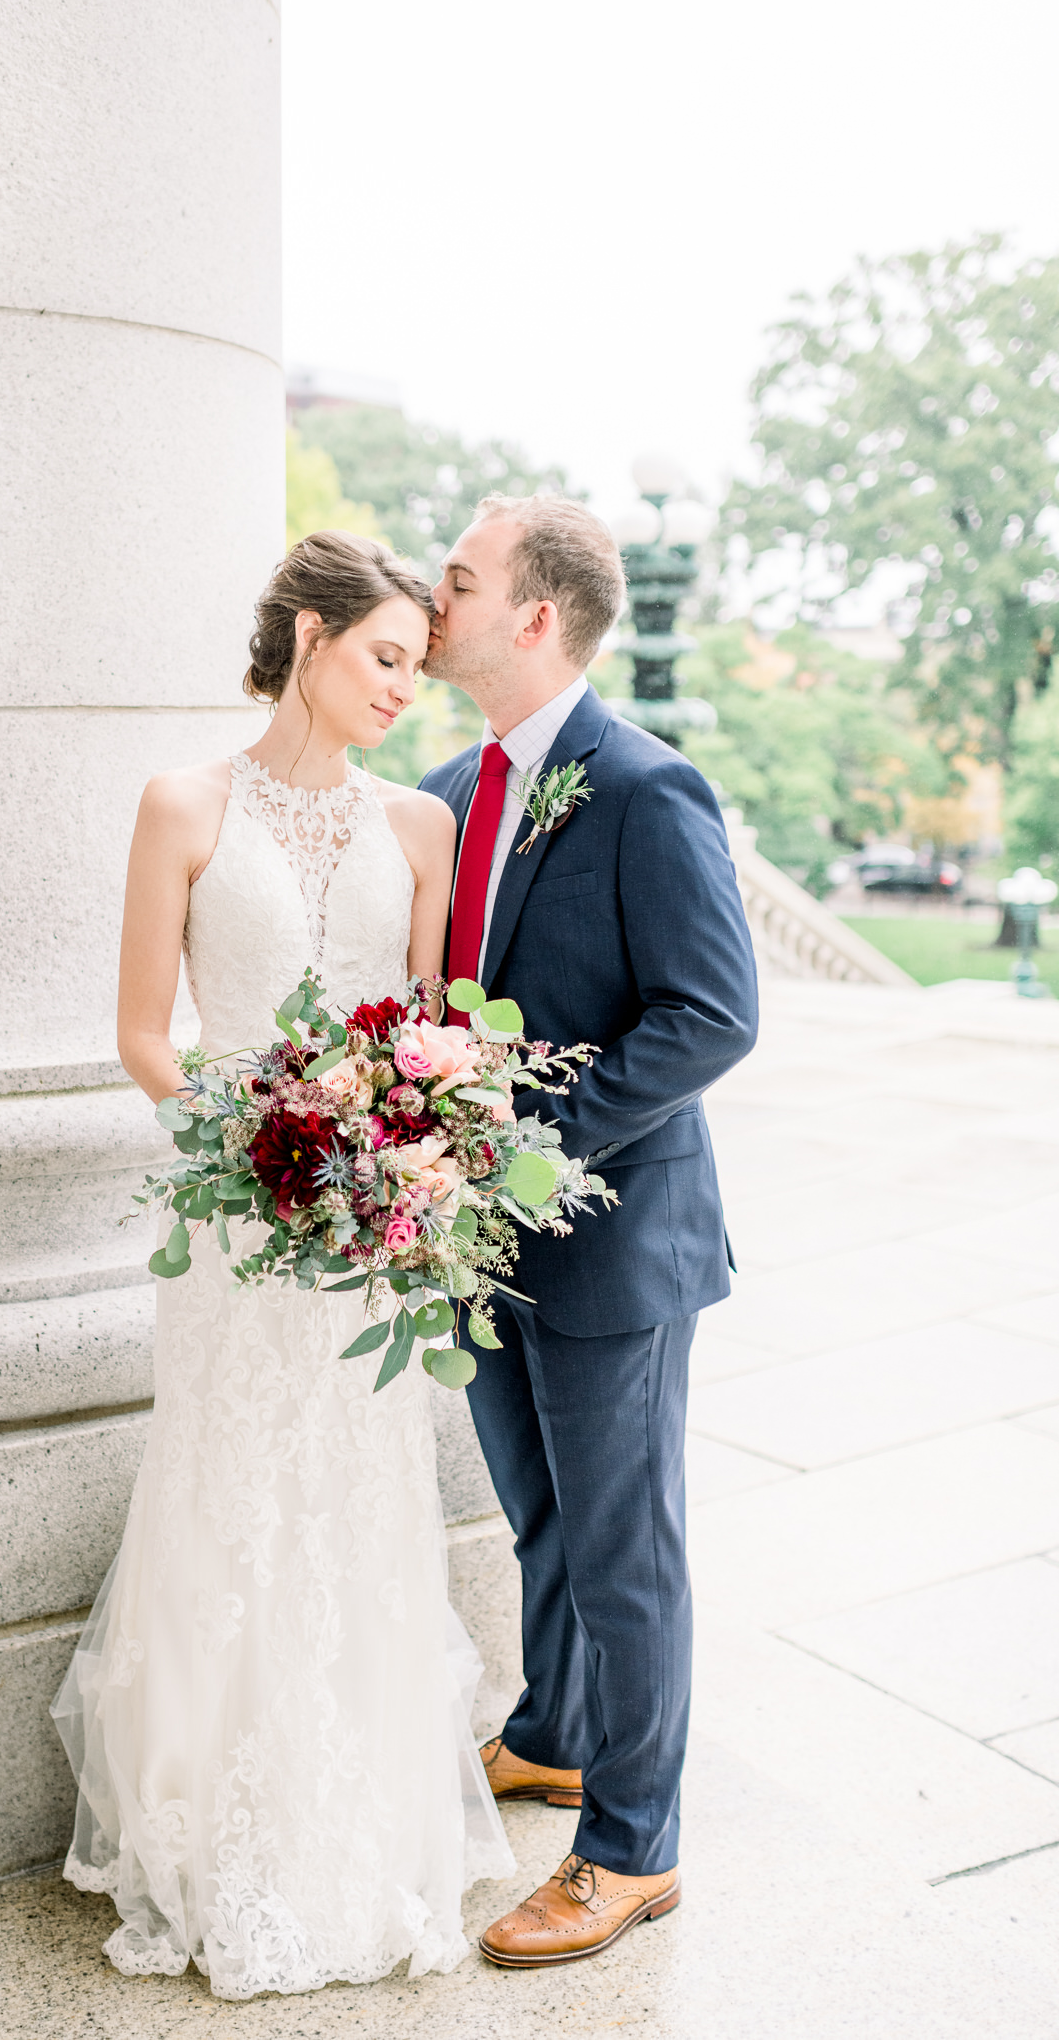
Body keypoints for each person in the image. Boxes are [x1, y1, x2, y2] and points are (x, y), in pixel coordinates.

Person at [51, 531, 514, 2001]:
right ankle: (218, 1830)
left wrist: (406, 1157)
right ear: (308, 637)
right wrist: (256, 1152)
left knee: (355, 1508)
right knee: (234, 1503)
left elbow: (433, 1037)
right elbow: (144, 1033)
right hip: (246, 1232)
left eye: (418, 671)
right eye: (385, 658)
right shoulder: (180, 803)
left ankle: (361, 1827)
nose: (402, 692)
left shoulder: (417, 829)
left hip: (366, 1239)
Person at [419, 494, 758, 1968]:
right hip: (475, 1243)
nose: (437, 599)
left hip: (615, 1241)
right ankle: (556, 1732)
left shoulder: (645, 787)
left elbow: (712, 1015)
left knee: (625, 1544)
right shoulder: (444, 788)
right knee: (537, 1515)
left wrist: (527, 1156)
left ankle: (631, 1848)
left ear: (535, 616)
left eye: (461, 579)